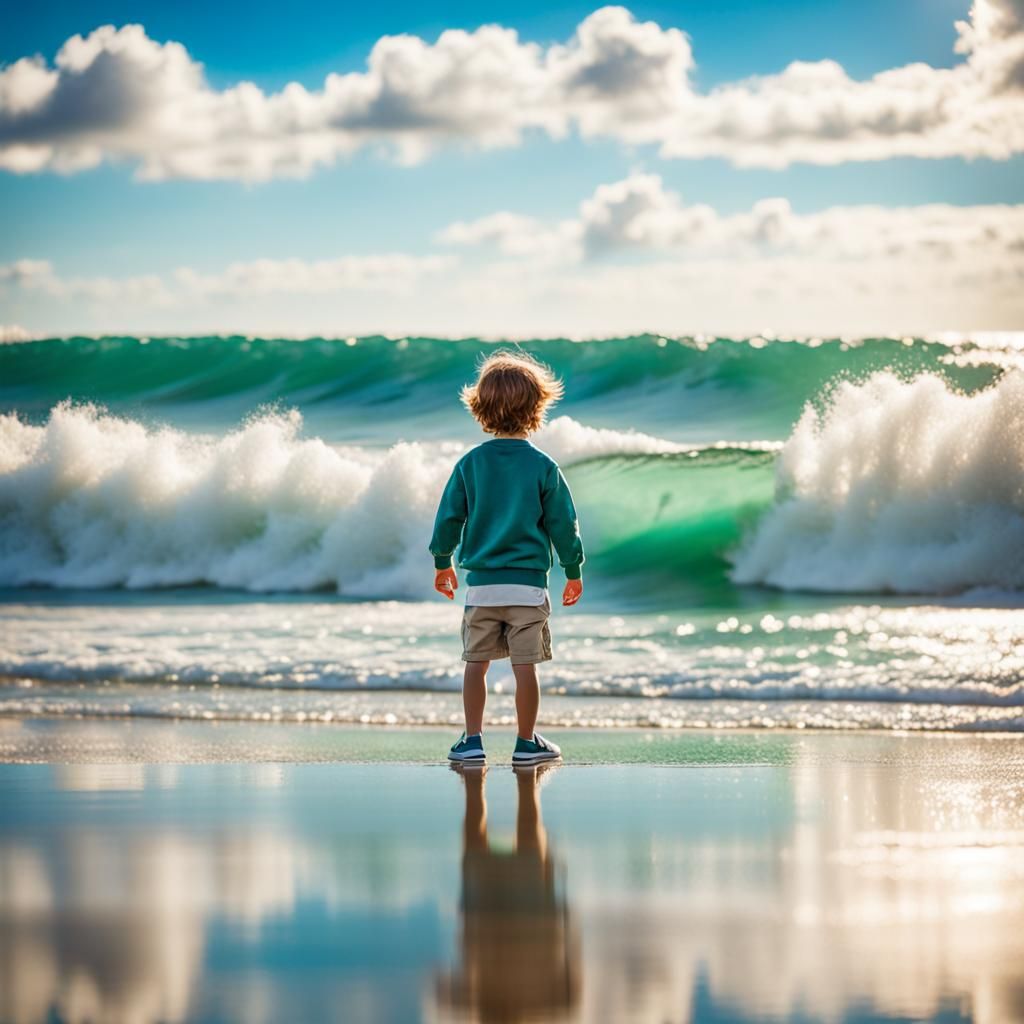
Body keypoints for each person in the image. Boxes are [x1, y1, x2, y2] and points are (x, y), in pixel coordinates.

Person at [429, 350, 584, 765]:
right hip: (528, 587)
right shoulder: (543, 466)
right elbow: (563, 525)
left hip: (481, 588)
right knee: (524, 667)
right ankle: (526, 742)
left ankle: (472, 741)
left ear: (480, 409)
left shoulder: (471, 464)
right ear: (537, 408)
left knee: (475, 664)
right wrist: (573, 571)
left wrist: (442, 562)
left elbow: (449, 519)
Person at [434, 765, 580, 1021]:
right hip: (514, 920)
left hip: (501, 924)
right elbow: (570, 993)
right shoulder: (485, 998)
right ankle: (522, 744)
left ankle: (475, 742)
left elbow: (570, 993)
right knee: (511, 837)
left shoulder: (480, 997)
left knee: (494, 840)